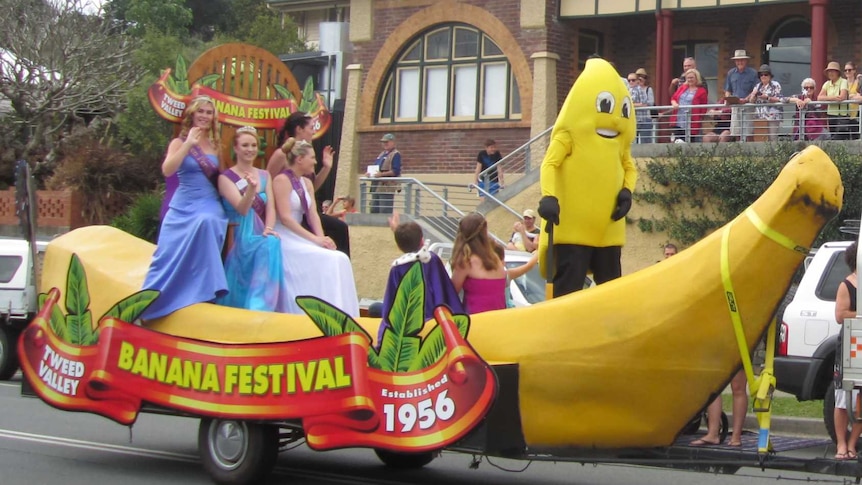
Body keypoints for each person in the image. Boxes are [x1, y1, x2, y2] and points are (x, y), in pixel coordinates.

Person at [140, 95, 228, 321]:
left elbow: (222, 179)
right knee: (167, 250)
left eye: (209, 113)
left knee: (207, 222)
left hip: (208, 202)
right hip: (183, 203)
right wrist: (189, 143)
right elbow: (168, 170)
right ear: (192, 114)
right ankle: (150, 305)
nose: (205, 116)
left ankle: (204, 295)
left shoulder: (217, 146)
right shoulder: (178, 143)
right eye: (201, 112)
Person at [273, 137, 359, 317]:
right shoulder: (282, 180)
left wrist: (323, 239)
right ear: (299, 159)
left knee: (339, 258)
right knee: (329, 259)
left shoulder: (307, 183)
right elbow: (286, 218)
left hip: (301, 235)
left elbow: (312, 214)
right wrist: (315, 239)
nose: (315, 161)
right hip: (285, 235)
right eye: (312, 157)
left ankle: (342, 312)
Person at [217, 126, 288, 312]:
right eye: (245, 145)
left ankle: (263, 305)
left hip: (260, 230)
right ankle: (255, 306)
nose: (250, 149)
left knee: (272, 241)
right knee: (269, 245)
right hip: (239, 232)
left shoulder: (265, 175)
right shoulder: (226, 178)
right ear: (236, 148)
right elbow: (241, 209)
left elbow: (271, 206)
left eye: (254, 145)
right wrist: (250, 189)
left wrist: (269, 228)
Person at [268, 112, 351, 256]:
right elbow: (267, 182)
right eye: (311, 127)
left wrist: (327, 167)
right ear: (300, 129)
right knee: (338, 229)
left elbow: (311, 188)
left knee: (339, 231)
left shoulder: (307, 159)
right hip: (289, 216)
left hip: (305, 210)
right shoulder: (282, 155)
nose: (314, 131)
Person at [376, 211, 464, 347]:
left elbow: (391, 303)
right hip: (434, 321)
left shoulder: (397, 269)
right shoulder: (431, 260)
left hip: (409, 327)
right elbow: (446, 291)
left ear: (398, 246)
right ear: (422, 240)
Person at [833, 241, 861, 460]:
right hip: (851, 346)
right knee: (843, 397)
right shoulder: (847, 284)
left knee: (861, 400)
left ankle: (853, 444)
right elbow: (840, 315)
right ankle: (841, 445)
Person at [450, 213, 507, 314]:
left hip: (476, 320)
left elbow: (451, 293)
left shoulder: (466, 261)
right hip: (499, 318)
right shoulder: (495, 258)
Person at [724, 50, 759, 142]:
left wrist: (746, 99)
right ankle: (740, 152)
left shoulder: (753, 73)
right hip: (735, 105)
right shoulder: (731, 73)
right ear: (735, 62)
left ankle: (751, 152)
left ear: (746, 61)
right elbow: (728, 89)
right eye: (738, 60)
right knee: (736, 132)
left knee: (748, 132)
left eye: (742, 60)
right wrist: (728, 99)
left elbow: (756, 89)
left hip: (748, 106)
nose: (740, 62)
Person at [669, 69, 708, 142]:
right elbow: (673, 98)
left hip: (691, 121)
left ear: (697, 78)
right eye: (688, 78)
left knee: (689, 142)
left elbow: (703, 108)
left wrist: (698, 117)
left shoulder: (702, 91)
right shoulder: (682, 88)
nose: (690, 79)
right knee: (677, 142)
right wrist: (674, 103)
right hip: (679, 120)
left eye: (692, 77)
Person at [747, 64, 783, 141]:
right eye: (761, 74)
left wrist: (767, 98)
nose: (763, 76)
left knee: (772, 138)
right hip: (760, 116)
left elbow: (779, 98)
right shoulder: (757, 86)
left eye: (766, 74)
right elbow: (751, 101)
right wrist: (753, 95)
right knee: (760, 139)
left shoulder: (775, 85)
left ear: (770, 76)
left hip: (772, 116)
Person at [369, 133, 402, 214]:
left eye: (387, 142)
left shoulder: (396, 154)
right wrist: (369, 173)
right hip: (376, 186)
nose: (385, 144)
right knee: (374, 208)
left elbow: (396, 171)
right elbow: (376, 166)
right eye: (383, 142)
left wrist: (382, 175)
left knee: (384, 209)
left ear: (393, 142)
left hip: (387, 187)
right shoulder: (382, 154)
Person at [819, 62, 851, 140]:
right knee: (833, 136)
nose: (830, 73)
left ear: (837, 72)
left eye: (833, 71)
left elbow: (842, 97)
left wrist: (827, 97)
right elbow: (819, 97)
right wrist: (834, 98)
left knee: (840, 137)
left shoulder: (843, 81)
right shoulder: (827, 84)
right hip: (831, 114)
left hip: (842, 115)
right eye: (829, 71)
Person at [630, 69, 654, 144]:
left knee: (645, 142)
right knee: (633, 142)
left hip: (645, 118)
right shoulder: (631, 89)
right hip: (634, 120)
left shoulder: (647, 89)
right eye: (629, 80)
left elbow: (648, 103)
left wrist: (633, 104)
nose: (631, 82)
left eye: (633, 80)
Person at [844, 62, 861, 139]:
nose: (847, 72)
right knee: (845, 137)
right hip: (844, 114)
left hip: (856, 114)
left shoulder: (858, 82)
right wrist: (854, 96)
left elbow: (860, 97)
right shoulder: (843, 83)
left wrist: (850, 96)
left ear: (854, 71)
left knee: (856, 137)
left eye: (849, 70)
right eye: (845, 70)